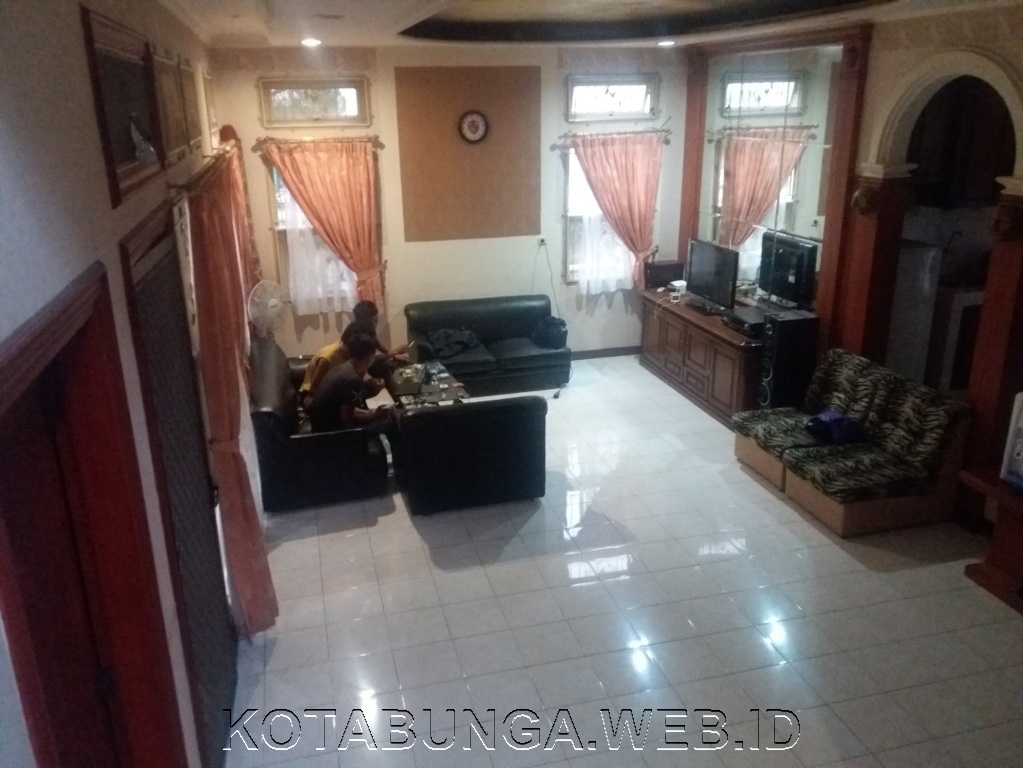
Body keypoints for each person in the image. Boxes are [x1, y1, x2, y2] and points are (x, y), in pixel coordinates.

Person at [307, 333, 392, 433]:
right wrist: (374, 415)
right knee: (388, 423)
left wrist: (371, 412)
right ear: (369, 357)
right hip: (330, 434)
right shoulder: (352, 379)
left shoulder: (338, 369)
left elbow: (347, 409)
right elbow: (347, 418)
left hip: (320, 427)